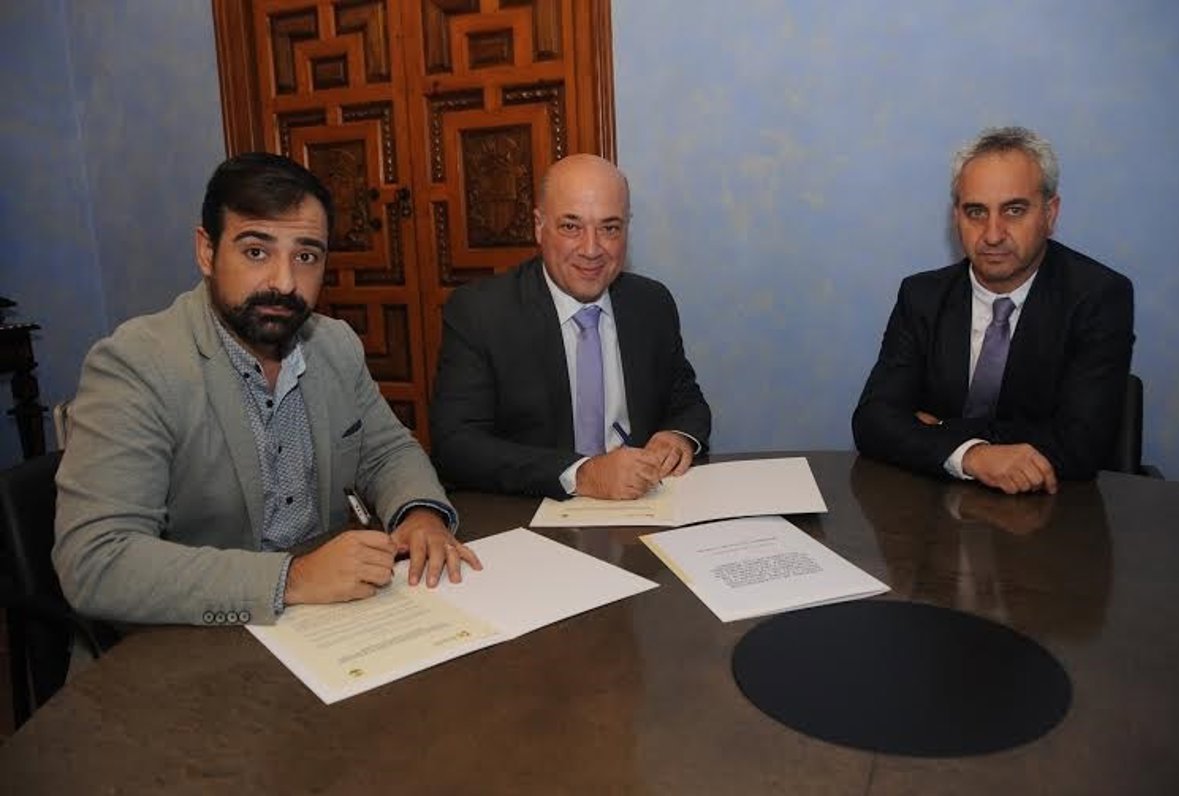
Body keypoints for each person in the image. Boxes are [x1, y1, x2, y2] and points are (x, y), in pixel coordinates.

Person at [54, 153, 481, 630]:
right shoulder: (136, 365)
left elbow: (386, 451)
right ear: (207, 251)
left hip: (327, 621)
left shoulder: (334, 345)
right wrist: (291, 579)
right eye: (256, 252)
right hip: (190, 638)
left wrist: (420, 513)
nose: (284, 282)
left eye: (306, 256)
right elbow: (95, 562)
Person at [852, 126, 1134, 494]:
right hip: (932, 510)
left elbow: (1081, 446)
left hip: (1052, 513)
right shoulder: (921, 296)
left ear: (1050, 214)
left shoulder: (1099, 297)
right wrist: (973, 456)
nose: (993, 234)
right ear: (956, 217)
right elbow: (873, 421)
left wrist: (941, 430)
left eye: (1014, 210)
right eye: (976, 212)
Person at [431, 154, 711, 500]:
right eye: (571, 227)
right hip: (531, 508)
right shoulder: (481, 312)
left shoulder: (651, 303)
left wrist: (677, 435)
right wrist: (581, 474)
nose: (591, 249)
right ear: (539, 226)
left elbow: (687, 401)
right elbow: (456, 445)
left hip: (643, 503)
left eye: (609, 228)